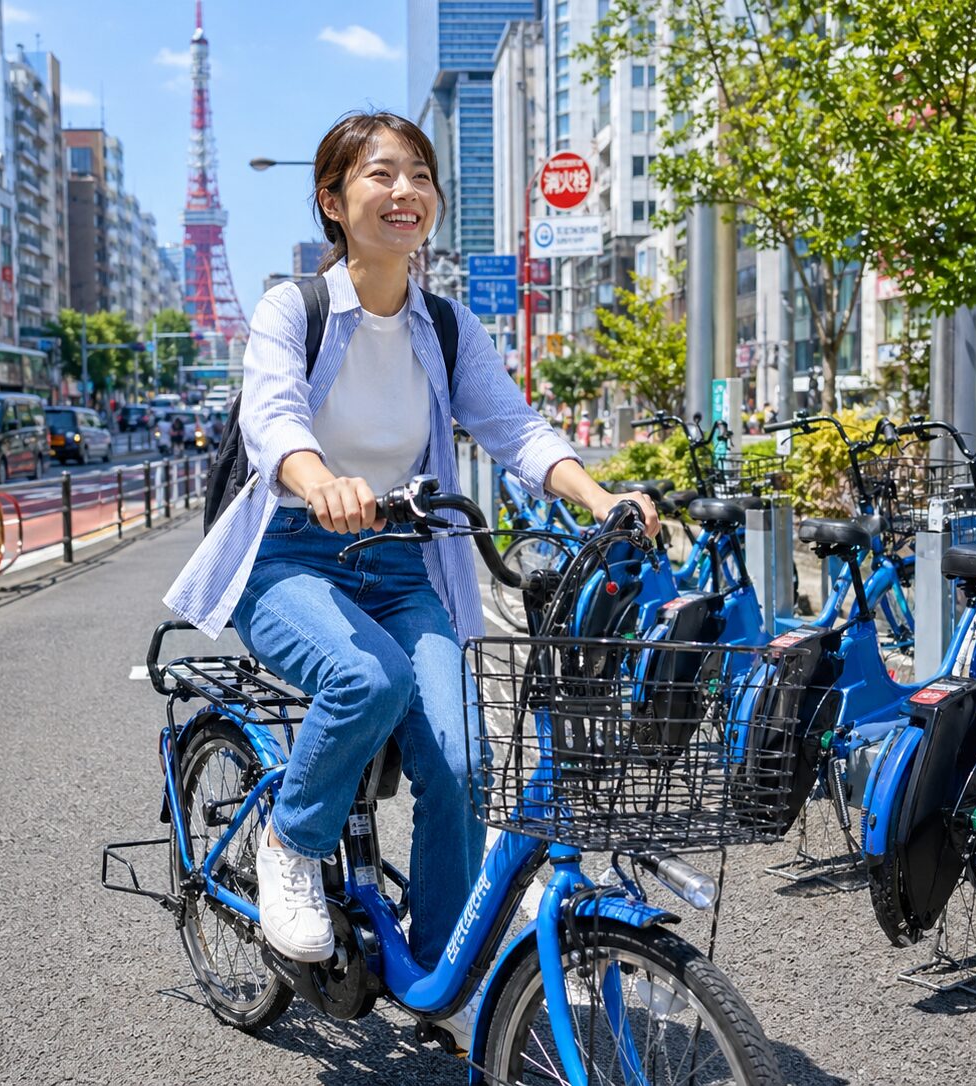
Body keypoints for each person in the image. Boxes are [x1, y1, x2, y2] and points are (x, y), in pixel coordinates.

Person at [165, 110, 659, 972]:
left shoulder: (447, 324)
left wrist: (599, 494)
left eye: (421, 176)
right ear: (332, 200)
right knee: (367, 677)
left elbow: (513, 425)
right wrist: (320, 482)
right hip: (287, 556)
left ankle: (445, 972)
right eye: (382, 175)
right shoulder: (294, 308)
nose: (407, 192)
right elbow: (274, 419)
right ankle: (292, 843)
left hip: (399, 563)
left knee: (467, 761)